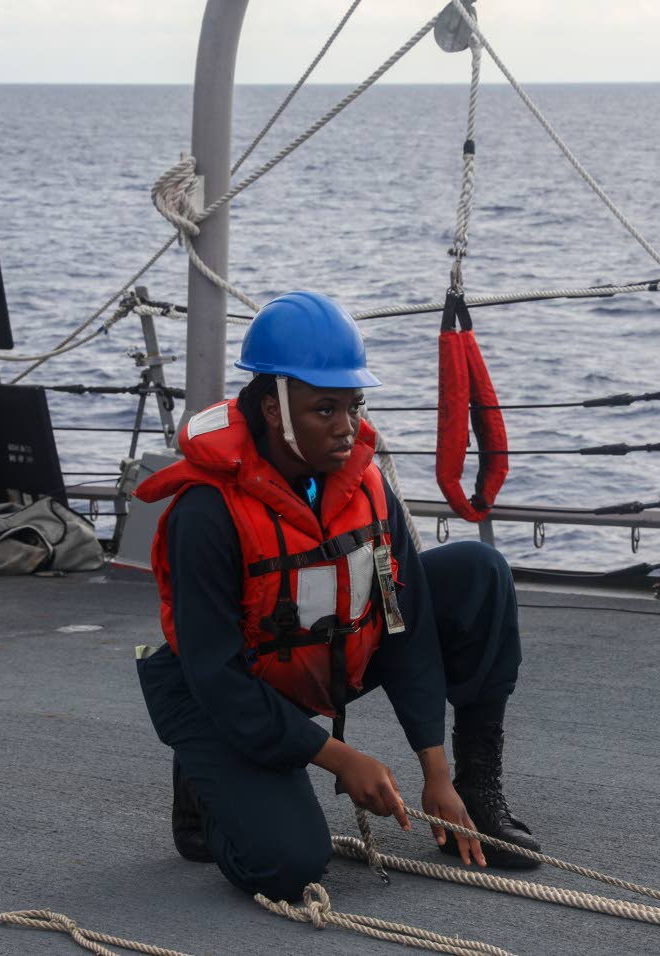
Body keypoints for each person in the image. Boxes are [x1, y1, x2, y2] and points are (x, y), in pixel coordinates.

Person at [133, 290, 540, 902]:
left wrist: (436, 774)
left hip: (327, 653)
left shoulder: (368, 486)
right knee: (289, 865)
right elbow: (216, 675)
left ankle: (478, 787)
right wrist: (339, 758)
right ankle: (206, 787)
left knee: (479, 572)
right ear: (273, 408)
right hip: (223, 687)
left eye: (354, 406)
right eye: (326, 409)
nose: (347, 428)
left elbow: (407, 625)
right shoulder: (207, 512)